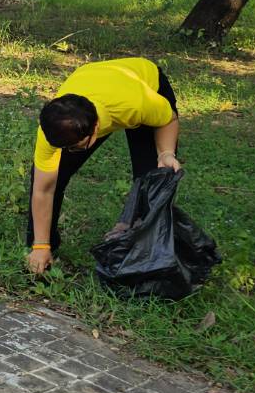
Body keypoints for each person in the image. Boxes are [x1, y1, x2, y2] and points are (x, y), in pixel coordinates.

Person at [26, 56, 182, 274]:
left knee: (151, 178)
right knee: (55, 174)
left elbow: (168, 119)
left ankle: (141, 256)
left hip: (143, 81)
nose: (69, 151)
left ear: (97, 127)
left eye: (76, 147)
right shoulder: (53, 129)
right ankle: (42, 252)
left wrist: (166, 153)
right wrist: (40, 245)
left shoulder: (136, 104)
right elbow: (43, 189)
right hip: (93, 80)